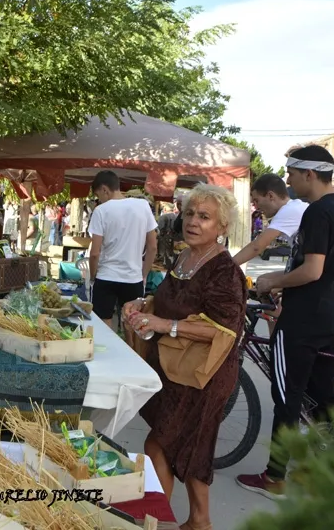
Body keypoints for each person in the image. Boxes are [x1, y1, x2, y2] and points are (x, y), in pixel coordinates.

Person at [125, 184, 246, 530]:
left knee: (159, 444)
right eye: (190, 213)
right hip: (174, 369)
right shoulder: (185, 258)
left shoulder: (225, 271)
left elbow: (224, 330)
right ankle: (198, 520)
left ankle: (153, 521)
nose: (193, 221)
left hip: (202, 375)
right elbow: (173, 302)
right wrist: (144, 305)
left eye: (205, 217)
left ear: (222, 227)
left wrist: (165, 324)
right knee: (191, 446)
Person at [236, 145, 334, 499]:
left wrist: (274, 281)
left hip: (303, 321)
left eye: (291, 174)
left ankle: (275, 478)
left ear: (309, 175)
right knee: (322, 395)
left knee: (287, 397)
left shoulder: (318, 212)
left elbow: (312, 270)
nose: (288, 181)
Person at [89, 170, 157, 329]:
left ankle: (107, 346)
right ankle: (130, 346)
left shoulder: (101, 211)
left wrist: (92, 276)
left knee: (103, 326)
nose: (99, 200)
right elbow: (153, 247)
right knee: (133, 326)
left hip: (106, 276)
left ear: (105, 190)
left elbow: (94, 253)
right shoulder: (143, 206)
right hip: (133, 278)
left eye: (98, 195)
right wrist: (143, 275)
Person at [233, 174, 308, 266]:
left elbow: (256, 247)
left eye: (256, 201)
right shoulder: (294, 206)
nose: (256, 207)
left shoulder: (288, 210)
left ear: (270, 196)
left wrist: (225, 266)